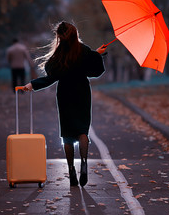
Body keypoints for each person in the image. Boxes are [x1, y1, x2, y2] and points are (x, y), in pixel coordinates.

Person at [22, 21, 107, 187]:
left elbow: (50, 77)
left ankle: (71, 170)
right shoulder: (84, 51)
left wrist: (32, 84)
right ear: (75, 34)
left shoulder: (59, 55)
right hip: (82, 93)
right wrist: (96, 55)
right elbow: (95, 72)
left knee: (67, 136)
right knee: (83, 131)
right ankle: (83, 162)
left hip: (65, 95)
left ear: (59, 37)